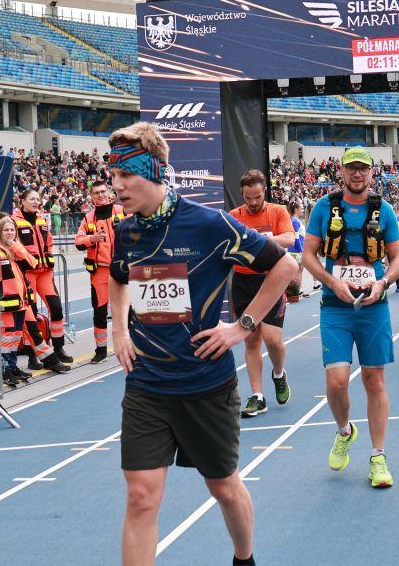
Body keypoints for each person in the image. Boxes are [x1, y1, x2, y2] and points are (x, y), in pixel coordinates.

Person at [107, 122, 297, 566]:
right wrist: (119, 331)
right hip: (147, 384)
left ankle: (244, 559)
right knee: (140, 495)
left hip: (204, 384)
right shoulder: (126, 232)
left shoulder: (209, 224)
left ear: (154, 170)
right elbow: (118, 277)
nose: (116, 186)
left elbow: (285, 267)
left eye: (125, 175)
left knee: (223, 487)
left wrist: (242, 326)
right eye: (112, 176)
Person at [302, 146, 399, 489]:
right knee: (336, 382)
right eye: (351, 168)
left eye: (363, 168)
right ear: (342, 172)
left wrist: (383, 282)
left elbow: (398, 257)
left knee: (374, 381)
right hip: (335, 305)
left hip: (373, 305)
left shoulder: (383, 209)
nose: (357, 174)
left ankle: (378, 456)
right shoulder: (324, 207)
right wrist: (331, 281)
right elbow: (308, 256)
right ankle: (345, 431)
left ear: (372, 173)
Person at [228, 169, 294, 418]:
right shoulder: (234, 216)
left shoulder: (278, 211)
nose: (253, 202)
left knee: (272, 339)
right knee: (251, 339)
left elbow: (289, 238)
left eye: (257, 197)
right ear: (242, 195)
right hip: (243, 282)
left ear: (264, 191)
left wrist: (258, 240)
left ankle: (278, 373)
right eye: (248, 198)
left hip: (271, 279)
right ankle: (257, 396)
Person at [0, 214, 71, 384]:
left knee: (15, 336)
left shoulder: (11, 249)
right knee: (9, 337)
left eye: (12, 230)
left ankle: (12, 367)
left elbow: (32, 263)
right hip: (5, 303)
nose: (10, 233)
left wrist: (16, 246)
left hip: (19, 300)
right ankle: (8, 370)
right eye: (6, 230)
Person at [13, 189, 71, 363]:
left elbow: (49, 241)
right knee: (32, 315)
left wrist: (48, 255)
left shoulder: (42, 219)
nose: (36, 202)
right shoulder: (13, 221)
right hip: (28, 274)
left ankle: (58, 347)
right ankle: (33, 356)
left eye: (37, 199)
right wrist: (26, 261)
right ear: (22, 201)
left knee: (56, 308)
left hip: (45, 273)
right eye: (32, 199)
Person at [75, 180, 127, 363]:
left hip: (123, 269)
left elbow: (139, 231)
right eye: (96, 192)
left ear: (109, 192)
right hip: (100, 272)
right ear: (91, 196)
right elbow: (78, 241)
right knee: (99, 311)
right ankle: (101, 350)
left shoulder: (122, 211)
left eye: (103, 191)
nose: (101, 195)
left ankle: (132, 346)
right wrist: (92, 238)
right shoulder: (88, 218)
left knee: (128, 311)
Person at [286, 200, 306, 302]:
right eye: (301, 208)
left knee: (300, 270)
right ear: (296, 209)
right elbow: (296, 238)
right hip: (296, 250)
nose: (303, 210)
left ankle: (298, 290)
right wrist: (300, 250)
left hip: (297, 249)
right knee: (297, 271)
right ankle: (294, 291)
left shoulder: (296, 220)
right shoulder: (295, 221)